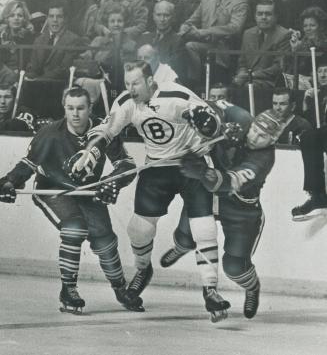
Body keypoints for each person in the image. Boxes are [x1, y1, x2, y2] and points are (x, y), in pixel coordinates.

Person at [67, 60, 232, 319]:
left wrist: (207, 123)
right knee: (139, 229)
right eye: (127, 83)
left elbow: (213, 126)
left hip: (191, 165)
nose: (131, 89)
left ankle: (211, 290)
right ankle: (143, 270)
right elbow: (107, 130)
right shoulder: (126, 103)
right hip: (156, 168)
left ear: (150, 81)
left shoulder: (177, 95)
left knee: (204, 228)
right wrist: (89, 153)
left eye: (136, 83)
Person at [0, 86, 144, 313]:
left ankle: (120, 288)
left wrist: (111, 182)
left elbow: (126, 165)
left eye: (80, 108)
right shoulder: (49, 133)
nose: (75, 114)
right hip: (53, 189)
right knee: (75, 228)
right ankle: (68, 289)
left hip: (86, 191)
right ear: (64, 108)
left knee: (105, 240)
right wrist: (9, 182)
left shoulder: (103, 131)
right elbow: (28, 164)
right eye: (70, 108)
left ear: (90, 109)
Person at [160, 107, 283, 319]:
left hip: (240, 209)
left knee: (234, 267)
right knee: (186, 236)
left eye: (263, 136)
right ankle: (183, 247)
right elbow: (209, 106)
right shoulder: (242, 117)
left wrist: (201, 171)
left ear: (272, 141)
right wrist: (210, 119)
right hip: (207, 196)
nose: (254, 137)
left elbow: (229, 182)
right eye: (254, 129)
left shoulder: (263, 159)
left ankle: (252, 288)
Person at [180, 0, 248, 85]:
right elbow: (191, 21)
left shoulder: (239, 0)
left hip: (223, 47)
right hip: (204, 43)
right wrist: (184, 29)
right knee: (179, 42)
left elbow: (235, 28)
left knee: (191, 46)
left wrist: (206, 31)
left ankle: (195, 83)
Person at [234, 0, 290, 89]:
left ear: (276, 16)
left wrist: (251, 75)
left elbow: (278, 67)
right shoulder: (247, 34)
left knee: (250, 87)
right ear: (255, 16)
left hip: (271, 82)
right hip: (248, 80)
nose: (263, 17)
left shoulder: (283, 35)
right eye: (260, 14)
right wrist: (241, 74)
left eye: (268, 14)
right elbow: (242, 62)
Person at [26, 2, 82, 81]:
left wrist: (39, 80)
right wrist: (27, 77)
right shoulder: (39, 39)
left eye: (59, 17)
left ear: (65, 19)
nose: (55, 20)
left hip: (58, 85)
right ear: (47, 19)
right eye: (51, 16)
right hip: (37, 84)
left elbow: (64, 69)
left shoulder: (72, 39)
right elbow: (33, 66)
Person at [0, 0, 35, 72]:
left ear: (24, 19)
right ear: (7, 18)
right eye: (12, 15)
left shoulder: (30, 38)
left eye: (20, 15)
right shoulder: (1, 36)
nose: (16, 18)